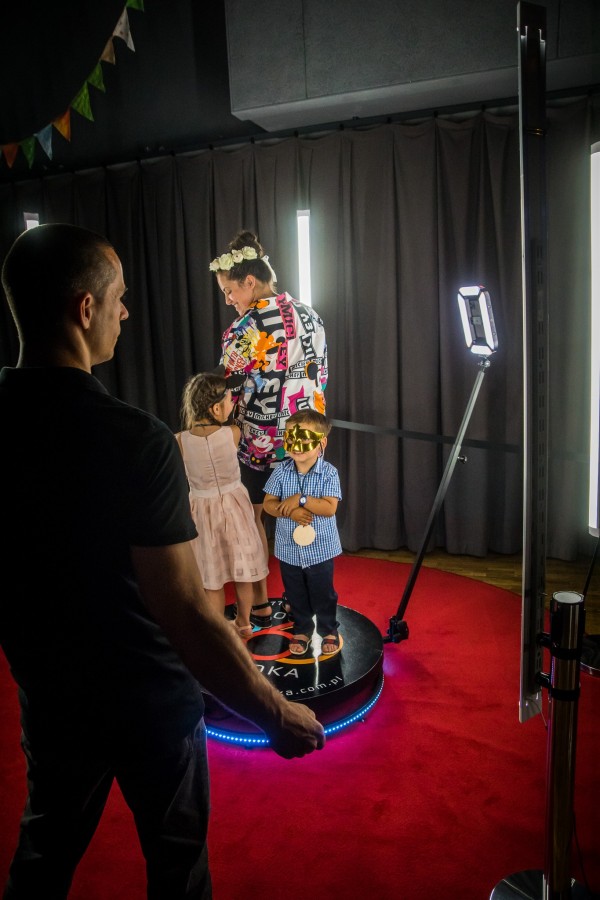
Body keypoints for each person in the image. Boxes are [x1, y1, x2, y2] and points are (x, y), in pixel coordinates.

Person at [0, 223, 325, 900]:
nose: (125, 312)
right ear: (85, 308)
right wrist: (273, 713)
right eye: (118, 297)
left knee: (41, 861)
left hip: (51, 700)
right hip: (150, 704)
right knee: (179, 873)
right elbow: (183, 612)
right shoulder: (136, 440)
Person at [211, 230, 328, 571]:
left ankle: (259, 591)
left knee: (253, 518)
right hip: (307, 436)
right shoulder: (311, 315)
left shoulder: (247, 326)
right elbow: (320, 377)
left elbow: (227, 385)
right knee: (304, 515)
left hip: (260, 443)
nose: (228, 300)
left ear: (249, 281)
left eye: (229, 291)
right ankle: (305, 593)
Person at [176, 370, 272, 634]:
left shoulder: (180, 440)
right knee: (243, 571)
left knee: (212, 578)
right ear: (216, 408)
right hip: (235, 509)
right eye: (230, 400)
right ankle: (244, 622)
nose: (233, 404)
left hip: (202, 513)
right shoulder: (233, 433)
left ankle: (218, 630)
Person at [263, 410, 342, 657]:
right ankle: (302, 629)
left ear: (321, 442)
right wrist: (290, 512)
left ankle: (328, 629)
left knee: (323, 592)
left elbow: (329, 508)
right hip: (289, 549)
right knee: (295, 592)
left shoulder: (329, 473)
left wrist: (302, 499)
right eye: (291, 437)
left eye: (305, 439)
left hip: (320, 550)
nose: (296, 445)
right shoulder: (281, 472)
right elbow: (268, 504)